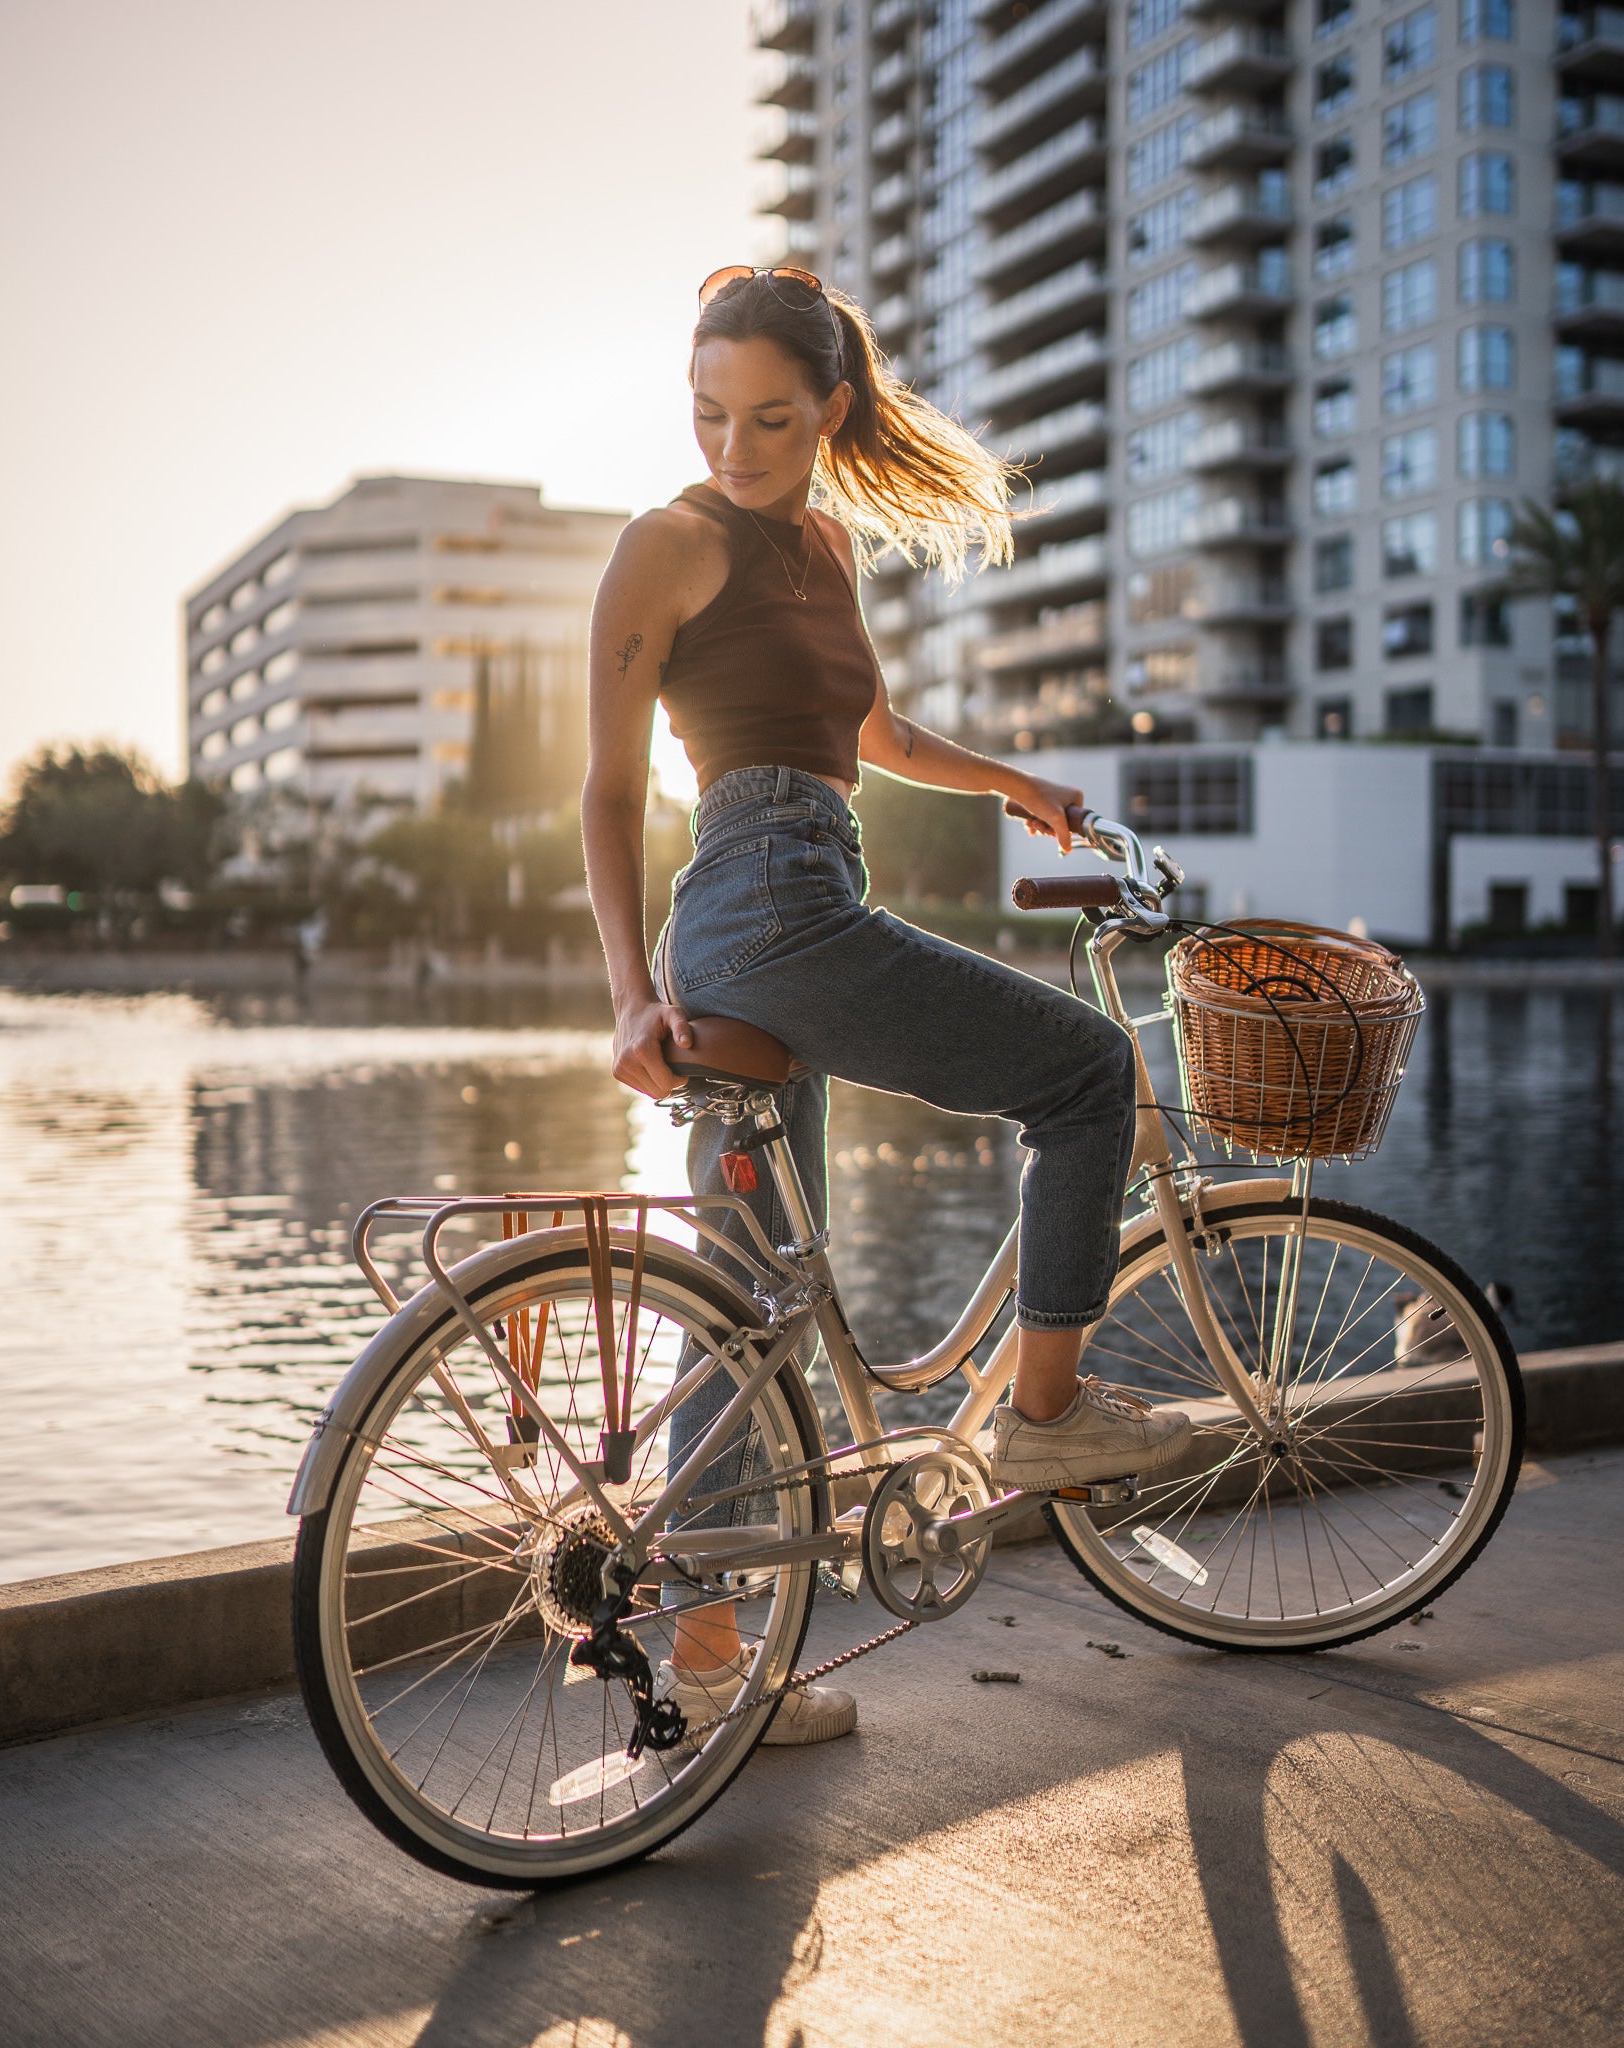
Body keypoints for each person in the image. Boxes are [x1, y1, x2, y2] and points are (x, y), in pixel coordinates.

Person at [581, 266, 1190, 1746]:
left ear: (830, 410)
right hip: (768, 907)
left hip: (782, 910)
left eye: (771, 420)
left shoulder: (828, 551)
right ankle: (1045, 1414)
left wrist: (1011, 784)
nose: (735, 446)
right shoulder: (666, 543)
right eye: (711, 415)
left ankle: (719, 1663)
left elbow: (867, 730)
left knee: (751, 1304)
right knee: (1089, 1071)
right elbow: (605, 789)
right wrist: (619, 997)